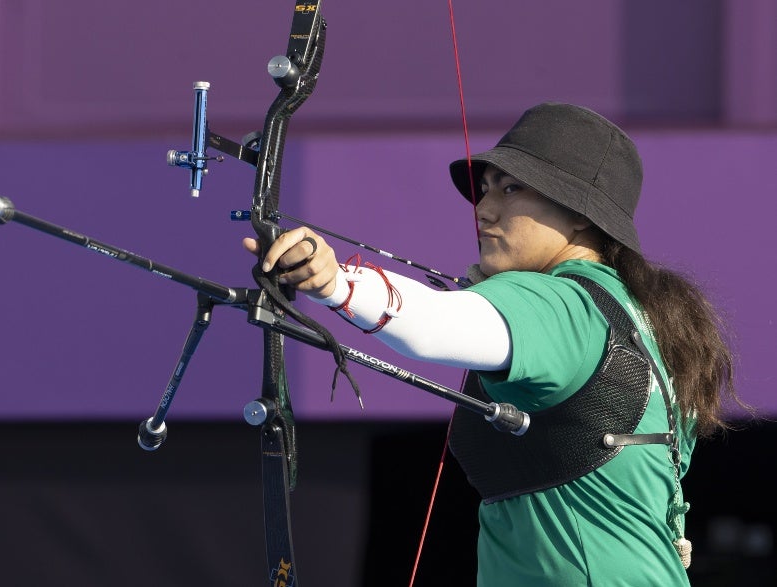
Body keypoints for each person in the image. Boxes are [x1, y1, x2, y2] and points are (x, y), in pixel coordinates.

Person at [243, 102, 741, 586]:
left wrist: (334, 282)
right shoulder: (635, 315)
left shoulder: (564, 304)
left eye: (511, 188)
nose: (484, 208)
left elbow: (431, 323)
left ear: (581, 216)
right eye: (484, 189)